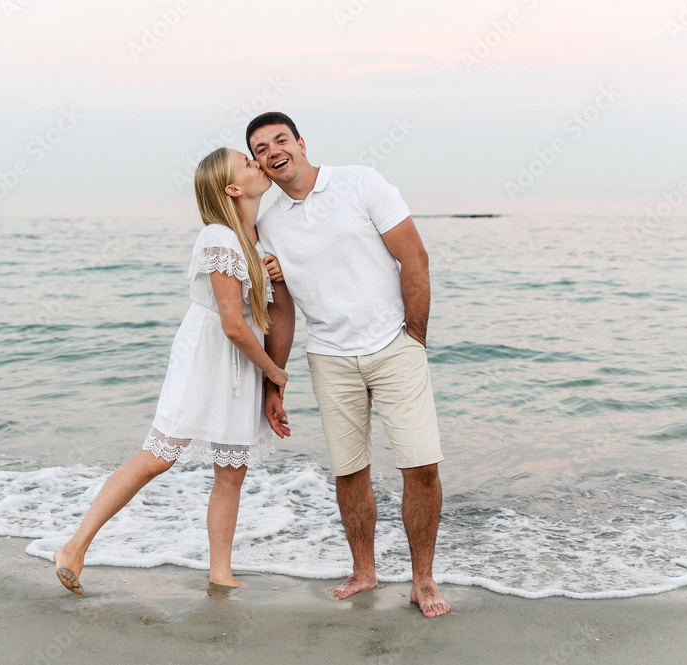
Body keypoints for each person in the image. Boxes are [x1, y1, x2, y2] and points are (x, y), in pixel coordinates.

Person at [53, 147, 287, 592]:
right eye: (249, 162)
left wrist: (268, 272)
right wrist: (275, 372)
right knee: (159, 455)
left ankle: (220, 572)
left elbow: (255, 317)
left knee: (231, 470)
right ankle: (75, 547)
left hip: (236, 365)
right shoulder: (219, 236)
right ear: (232, 188)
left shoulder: (252, 240)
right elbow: (233, 325)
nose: (259, 163)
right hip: (208, 356)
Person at [246, 112, 450, 618]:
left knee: (420, 466)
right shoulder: (268, 225)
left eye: (280, 140)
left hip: (393, 347)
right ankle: (364, 571)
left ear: (300, 143)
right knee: (348, 470)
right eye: (261, 148)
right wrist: (275, 379)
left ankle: (422, 579)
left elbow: (415, 258)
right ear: (258, 163)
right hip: (329, 358)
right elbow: (282, 308)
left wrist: (415, 338)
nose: (274, 151)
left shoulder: (360, 182)